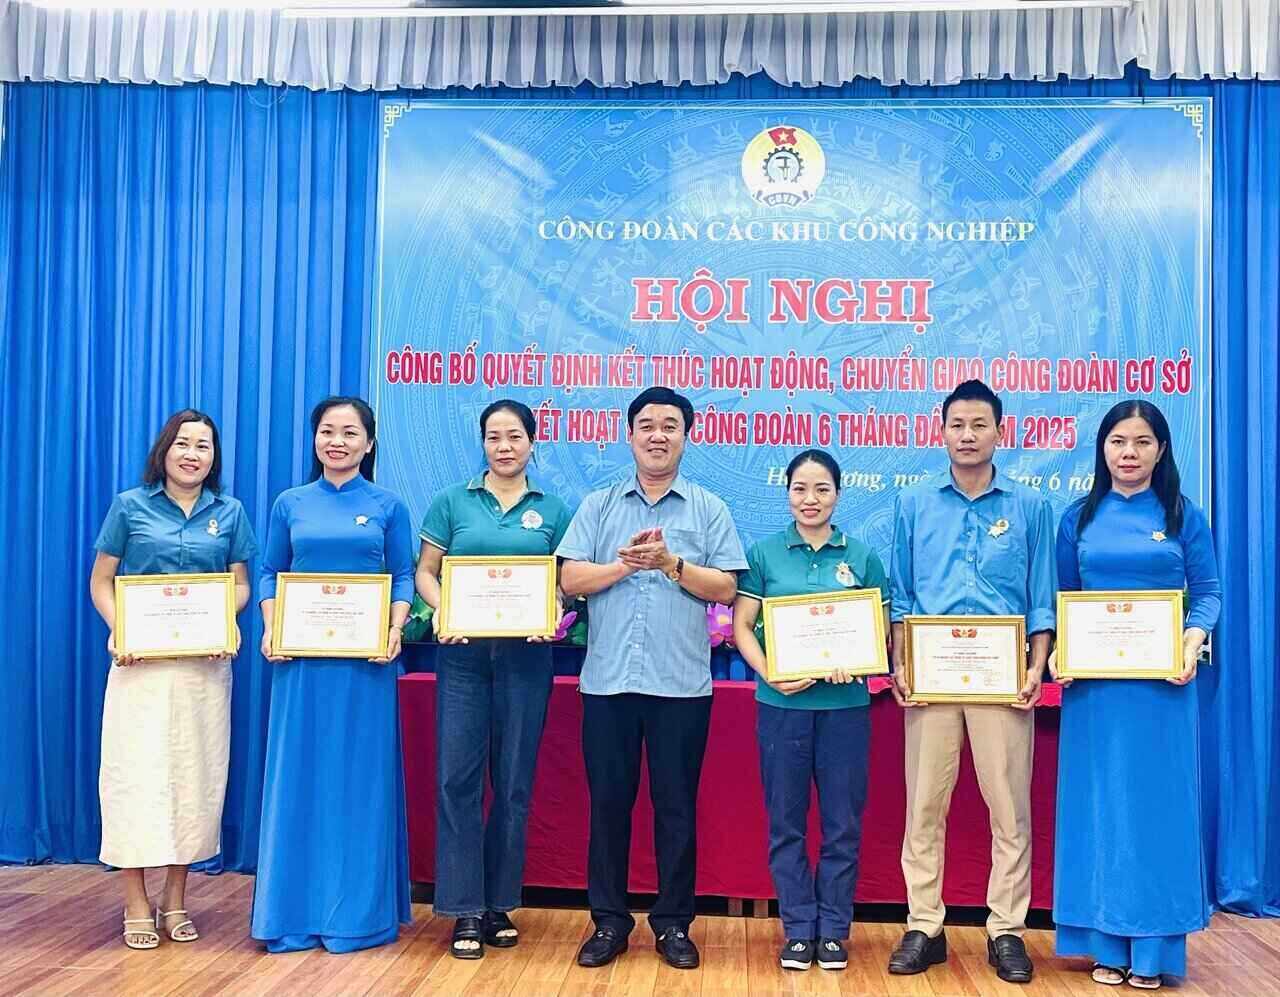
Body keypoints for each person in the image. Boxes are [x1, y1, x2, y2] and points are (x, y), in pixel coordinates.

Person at [557, 386, 747, 971]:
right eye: (647, 425)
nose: (657, 435)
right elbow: (568, 580)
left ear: (687, 436)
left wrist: (672, 565)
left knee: (675, 808)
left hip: (680, 687)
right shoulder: (599, 504)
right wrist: (625, 565)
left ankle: (672, 924)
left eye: (669, 425)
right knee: (609, 806)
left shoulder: (708, 508)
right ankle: (609, 922)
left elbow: (727, 588)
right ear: (630, 434)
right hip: (610, 682)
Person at [887, 379, 1055, 984]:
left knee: (1009, 809)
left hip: (1003, 678)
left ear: (999, 431)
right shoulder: (913, 504)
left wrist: (1036, 666)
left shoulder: (1030, 506)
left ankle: (1007, 928)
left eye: (979, 424)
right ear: (941, 431)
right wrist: (900, 664)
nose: (967, 435)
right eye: (957, 424)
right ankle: (923, 923)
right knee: (923, 805)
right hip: (931, 677)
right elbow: (902, 595)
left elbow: (1041, 598)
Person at [1052, 400, 1220, 991]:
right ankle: (1105, 944)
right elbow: (1062, 598)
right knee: (1103, 814)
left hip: (1161, 695)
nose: (1129, 453)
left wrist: (1193, 637)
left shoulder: (1182, 515)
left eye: (1142, 442)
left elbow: (1207, 591)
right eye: (1119, 441)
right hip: (1096, 697)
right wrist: (1059, 654)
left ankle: (1152, 952)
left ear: (1161, 450)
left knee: (1154, 816)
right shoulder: (1078, 518)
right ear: (1102, 449)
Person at [88, 409, 257, 950]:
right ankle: (136, 901)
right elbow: (101, 582)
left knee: (194, 778)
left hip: (204, 669)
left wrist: (226, 619)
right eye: (182, 444)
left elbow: (240, 586)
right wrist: (122, 631)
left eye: (203, 446)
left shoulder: (229, 513)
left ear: (215, 457)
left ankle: (176, 898)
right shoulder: (129, 506)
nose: (192, 454)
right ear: (164, 451)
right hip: (141, 668)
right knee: (137, 780)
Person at [251, 396, 414, 953]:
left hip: (365, 669)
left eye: (350, 432)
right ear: (315, 439)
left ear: (369, 443)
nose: (337, 441)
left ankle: (357, 917)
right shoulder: (289, 503)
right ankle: (290, 914)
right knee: (301, 781)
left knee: (358, 786)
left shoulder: (389, 505)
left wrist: (394, 632)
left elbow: (404, 577)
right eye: (327, 431)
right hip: (301, 668)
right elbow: (271, 570)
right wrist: (273, 628)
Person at [415, 399, 572, 960]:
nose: (503, 447)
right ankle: (463, 909)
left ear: (533, 442)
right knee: (457, 780)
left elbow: (565, 581)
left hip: (526, 659)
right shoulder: (453, 501)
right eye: (492, 437)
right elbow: (426, 572)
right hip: (462, 658)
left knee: (512, 783)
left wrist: (553, 608)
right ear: (481, 443)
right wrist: (442, 610)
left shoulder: (552, 509)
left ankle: (500, 902)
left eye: (514, 436)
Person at [732, 449, 888, 973]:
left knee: (842, 823)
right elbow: (741, 628)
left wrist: (859, 662)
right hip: (781, 706)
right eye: (800, 488)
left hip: (845, 707)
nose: (810, 499)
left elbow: (879, 634)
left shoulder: (862, 556)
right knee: (787, 822)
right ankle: (799, 929)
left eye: (821, 489)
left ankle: (835, 929)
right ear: (788, 494)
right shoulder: (765, 553)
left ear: (838, 494)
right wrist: (769, 671)